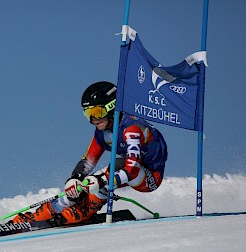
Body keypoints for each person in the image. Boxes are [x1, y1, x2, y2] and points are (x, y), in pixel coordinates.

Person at [12, 81, 168, 225]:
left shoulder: (132, 128)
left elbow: (132, 168)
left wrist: (101, 181)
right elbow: (88, 161)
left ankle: (83, 211)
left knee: (104, 176)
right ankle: (38, 216)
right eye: (88, 114)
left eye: (97, 112)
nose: (93, 119)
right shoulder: (103, 132)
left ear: (112, 108)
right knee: (81, 188)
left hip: (149, 177)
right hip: (125, 169)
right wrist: (75, 179)